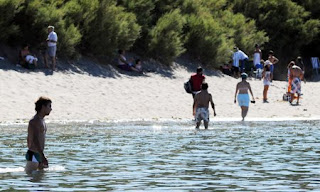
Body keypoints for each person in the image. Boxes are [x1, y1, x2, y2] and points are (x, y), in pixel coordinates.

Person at [25, 97, 52, 173]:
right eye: (49, 106)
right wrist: (42, 156)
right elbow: (34, 139)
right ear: (43, 107)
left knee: (40, 178)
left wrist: (42, 155)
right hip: (34, 154)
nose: (51, 109)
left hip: (39, 154)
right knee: (30, 176)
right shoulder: (34, 121)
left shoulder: (42, 120)